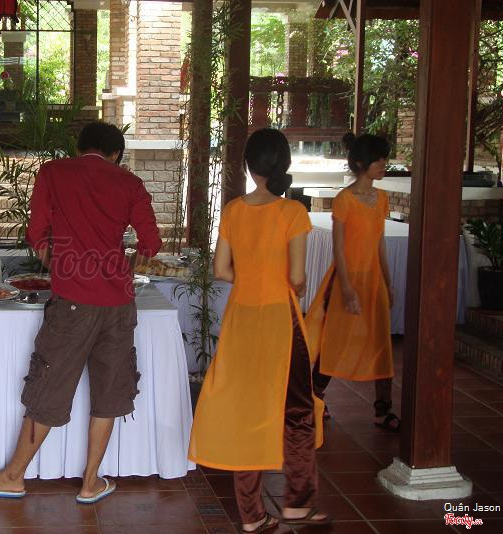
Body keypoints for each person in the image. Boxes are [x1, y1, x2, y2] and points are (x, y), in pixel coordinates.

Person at [0, 121, 162, 503]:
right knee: (109, 392)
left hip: (73, 301)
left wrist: (59, 265)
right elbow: (151, 243)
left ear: (79, 147)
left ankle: (13, 476)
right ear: (115, 154)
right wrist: (123, 267)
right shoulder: (130, 183)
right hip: (119, 305)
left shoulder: (54, 173)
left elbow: (37, 233)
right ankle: (91, 482)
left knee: (50, 386)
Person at [188, 129, 329, 532]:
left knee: (243, 407)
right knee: (298, 411)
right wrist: (281, 282)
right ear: (283, 164)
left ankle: (251, 515)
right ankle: (297, 503)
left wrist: (250, 278)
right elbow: (297, 279)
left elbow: (221, 270)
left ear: (248, 167)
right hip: (280, 321)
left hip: (241, 319)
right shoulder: (292, 213)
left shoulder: (234, 209)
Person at [305, 133, 398, 431]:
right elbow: (339, 249)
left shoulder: (381, 199)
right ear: (360, 163)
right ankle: (315, 397)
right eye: (378, 160)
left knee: (381, 342)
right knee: (336, 340)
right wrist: (346, 288)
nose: (383, 164)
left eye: (384, 159)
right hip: (346, 278)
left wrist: (388, 282)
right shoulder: (345, 200)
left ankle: (383, 409)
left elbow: (379, 243)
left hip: (373, 279)